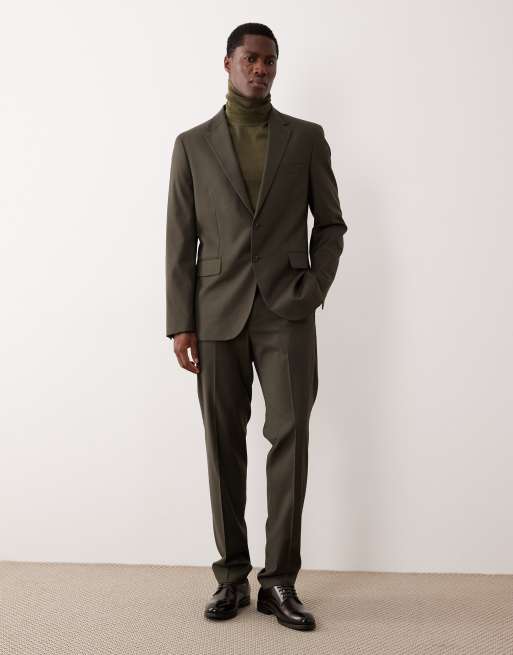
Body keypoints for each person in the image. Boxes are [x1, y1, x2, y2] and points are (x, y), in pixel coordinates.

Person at [165, 22, 348, 631]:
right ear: (228, 63)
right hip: (215, 312)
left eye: (269, 60)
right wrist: (180, 322)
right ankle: (230, 577)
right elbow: (179, 239)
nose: (260, 69)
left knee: (290, 438)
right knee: (223, 444)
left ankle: (280, 582)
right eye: (250, 59)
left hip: (286, 312)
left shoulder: (305, 138)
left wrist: (314, 287)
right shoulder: (192, 145)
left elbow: (331, 224)